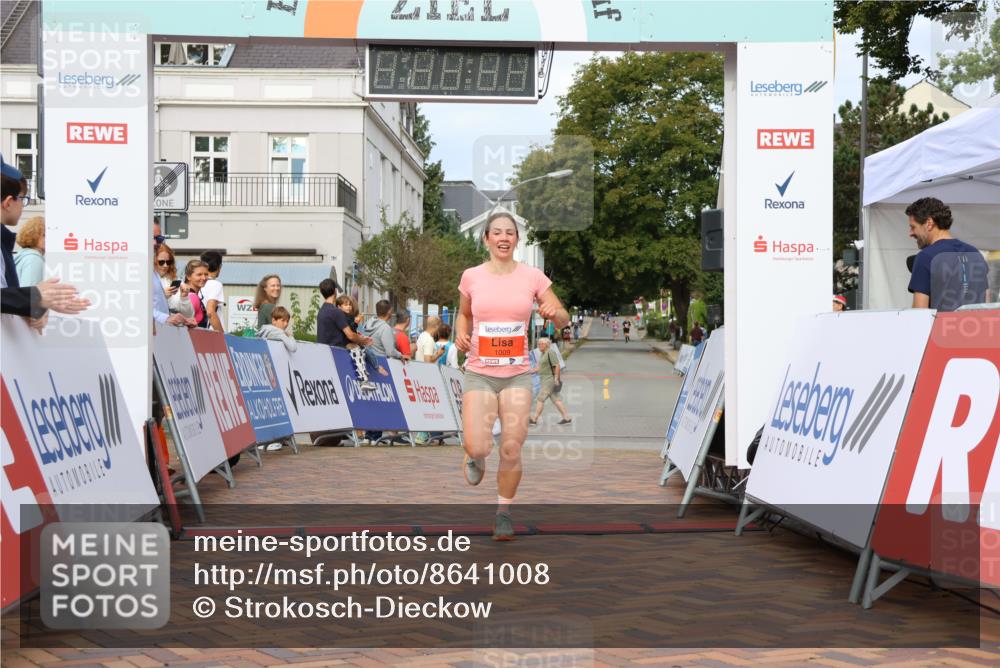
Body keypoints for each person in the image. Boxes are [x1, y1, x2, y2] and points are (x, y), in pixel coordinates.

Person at [455, 210, 570, 541]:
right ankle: (475, 456)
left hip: (518, 374)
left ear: (517, 240)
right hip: (480, 372)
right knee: (478, 444)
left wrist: (553, 313)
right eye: (497, 232)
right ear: (486, 238)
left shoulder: (533, 277)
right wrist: (461, 335)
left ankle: (503, 513)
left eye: (510, 232)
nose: (504, 237)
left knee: (511, 447)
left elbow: (562, 317)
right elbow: (463, 314)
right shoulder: (471, 276)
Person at [2, 160, 88, 323]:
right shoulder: (31, 257)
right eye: (22, 198)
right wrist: (36, 298)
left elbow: (7, 299)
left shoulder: (5, 244)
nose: (23, 205)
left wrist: (36, 303)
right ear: (8, 202)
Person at [905, 197, 989, 311]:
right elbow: (986, 303)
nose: (910, 233)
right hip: (976, 327)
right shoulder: (975, 254)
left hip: (942, 328)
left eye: (913, 227)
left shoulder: (925, 257)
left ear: (929, 223)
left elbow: (919, 314)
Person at [529, 337, 572, 426]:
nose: (539, 345)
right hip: (545, 379)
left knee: (540, 398)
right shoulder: (543, 354)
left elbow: (557, 365)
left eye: (541, 344)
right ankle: (566, 417)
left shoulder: (550, 353)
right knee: (556, 399)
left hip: (549, 379)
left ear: (547, 345)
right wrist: (528, 372)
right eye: (538, 344)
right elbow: (539, 368)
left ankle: (534, 418)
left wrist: (556, 378)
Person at [154, 243, 194, 318]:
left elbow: (189, 315)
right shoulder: (145, 280)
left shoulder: (175, 280)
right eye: (161, 262)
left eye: (168, 262)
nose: (165, 265)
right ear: (153, 261)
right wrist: (162, 296)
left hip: (174, 326)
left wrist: (184, 297)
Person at [14, 216, 44, 287]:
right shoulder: (34, 259)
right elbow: (30, 295)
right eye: (44, 235)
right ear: (34, 236)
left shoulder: (22, 256)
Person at [200, 251, 225, 332]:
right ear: (219, 267)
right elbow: (210, 311)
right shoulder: (216, 284)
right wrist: (222, 335)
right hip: (211, 332)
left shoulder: (196, 284)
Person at [183, 260, 212, 328]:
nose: (204, 278)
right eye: (199, 274)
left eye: (206, 274)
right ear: (188, 276)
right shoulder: (192, 297)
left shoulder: (188, 295)